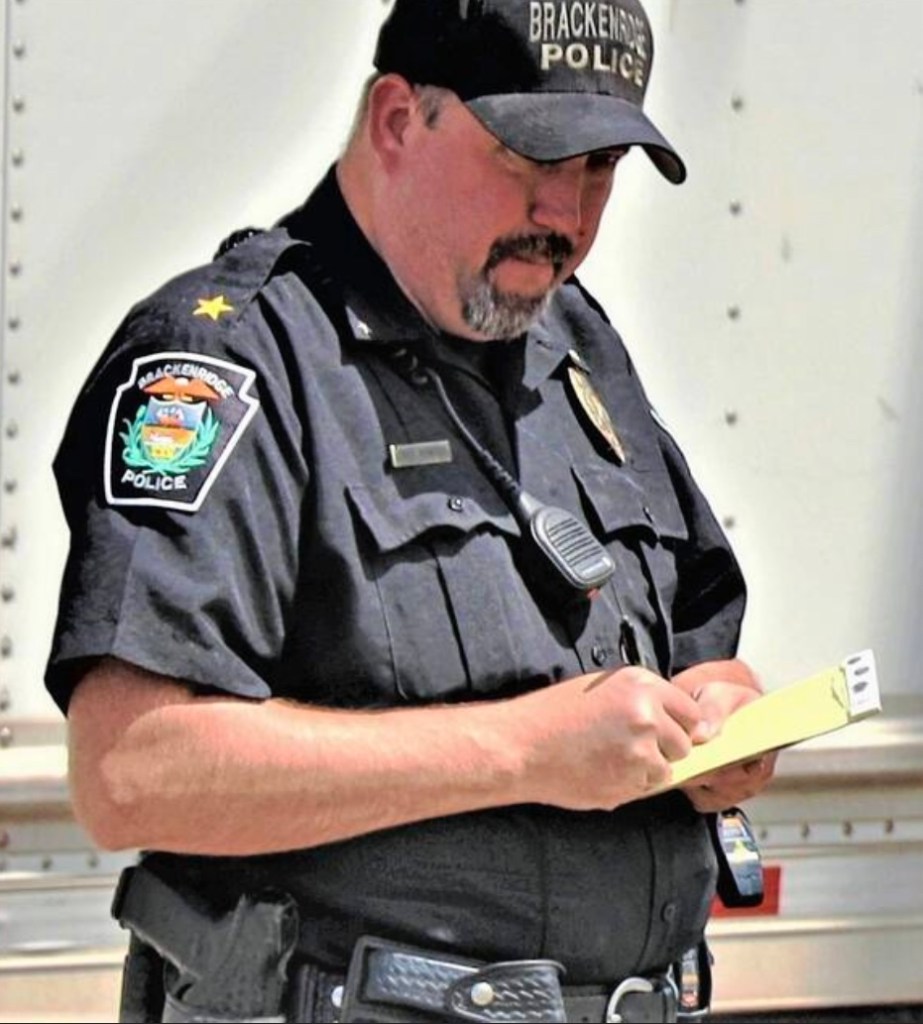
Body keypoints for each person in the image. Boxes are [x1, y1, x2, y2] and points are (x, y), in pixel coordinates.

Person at [46, 1, 777, 1021]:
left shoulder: (571, 342)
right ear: (397, 119)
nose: (564, 215)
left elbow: (695, 639)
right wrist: (523, 752)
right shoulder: (234, 356)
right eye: (528, 157)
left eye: (599, 168)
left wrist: (721, 713)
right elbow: (132, 771)